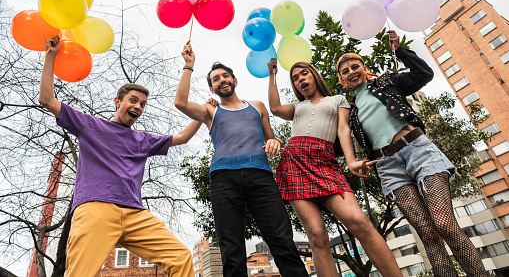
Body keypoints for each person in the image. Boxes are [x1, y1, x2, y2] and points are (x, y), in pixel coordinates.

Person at [39, 36, 200, 277]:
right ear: (118, 102)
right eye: (133, 101)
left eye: (143, 104)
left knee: (181, 257)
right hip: (96, 208)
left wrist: (204, 111)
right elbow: (47, 99)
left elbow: (183, 137)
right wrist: (51, 55)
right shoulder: (89, 125)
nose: (138, 107)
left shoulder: (143, 140)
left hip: (136, 213)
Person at [337, 30, 488, 276]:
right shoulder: (350, 112)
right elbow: (339, 144)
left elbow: (424, 74)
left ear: (364, 68)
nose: (351, 72)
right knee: (427, 234)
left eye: (355, 66)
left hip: (418, 150)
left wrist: (400, 51)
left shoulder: (386, 82)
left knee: (445, 225)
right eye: (345, 71)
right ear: (342, 79)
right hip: (388, 166)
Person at [175, 43, 308, 277]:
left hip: (261, 177)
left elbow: (271, 140)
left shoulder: (257, 107)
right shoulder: (210, 111)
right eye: (216, 79)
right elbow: (181, 103)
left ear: (235, 80)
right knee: (231, 247)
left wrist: (274, 143)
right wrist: (188, 66)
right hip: (224, 179)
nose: (222, 80)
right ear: (212, 88)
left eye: (226, 75)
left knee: (282, 240)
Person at [267, 59, 403, 277]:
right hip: (294, 163)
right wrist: (272, 75)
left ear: (314, 75)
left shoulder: (337, 100)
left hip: (325, 163)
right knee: (317, 234)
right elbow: (274, 108)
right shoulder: (297, 107)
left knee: (360, 222)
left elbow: (343, 129)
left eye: (304, 73)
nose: (300, 78)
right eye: (295, 78)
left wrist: (350, 162)